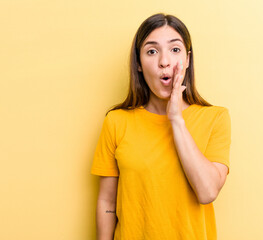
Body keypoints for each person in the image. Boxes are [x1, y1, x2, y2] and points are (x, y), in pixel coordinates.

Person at [90, 13, 231, 240]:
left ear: (187, 60)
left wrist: (175, 119)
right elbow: (107, 201)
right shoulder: (116, 121)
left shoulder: (215, 118)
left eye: (175, 50)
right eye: (152, 51)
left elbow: (207, 192)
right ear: (138, 63)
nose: (164, 61)